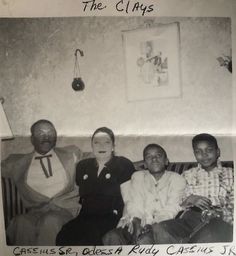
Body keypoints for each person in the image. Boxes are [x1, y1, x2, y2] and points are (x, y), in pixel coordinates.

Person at [1, 119, 82, 245]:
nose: (46, 137)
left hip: (65, 211)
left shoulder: (71, 154)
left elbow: (97, 159)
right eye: (40, 133)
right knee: (20, 222)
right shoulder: (17, 163)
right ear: (32, 139)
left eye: (50, 132)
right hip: (35, 212)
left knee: (50, 221)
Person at [56, 127, 136, 245]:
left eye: (106, 142)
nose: (101, 146)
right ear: (92, 146)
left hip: (111, 216)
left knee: (89, 236)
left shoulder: (123, 164)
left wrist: (126, 218)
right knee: (64, 235)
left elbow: (129, 197)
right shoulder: (83, 166)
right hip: (85, 216)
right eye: (97, 142)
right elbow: (76, 193)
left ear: (113, 146)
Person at [152, 133, 234, 243]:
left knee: (210, 233)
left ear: (217, 152)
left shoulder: (232, 174)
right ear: (194, 154)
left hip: (218, 219)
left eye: (209, 150)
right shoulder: (187, 175)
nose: (204, 155)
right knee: (159, 228)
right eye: (198, 151)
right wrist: (190, 199)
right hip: (190, 218)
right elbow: (174, 201)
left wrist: (223, 214)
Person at [103, 143, 186, 245]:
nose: (154, 159)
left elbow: (171, 208)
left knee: (144, 241)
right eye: (149, 157)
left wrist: (150, 226)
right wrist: (136, 220)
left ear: (166, 161)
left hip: (161, 225)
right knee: (111, 237)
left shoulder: (177, 179)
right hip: (136, 222)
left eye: (158, 155)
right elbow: (135, 202)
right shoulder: (138, 176)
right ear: (145, 164)